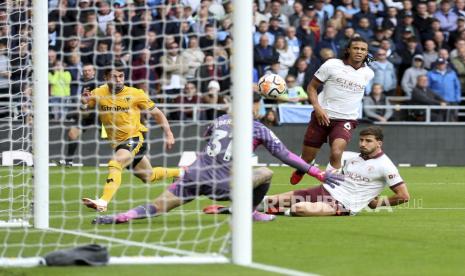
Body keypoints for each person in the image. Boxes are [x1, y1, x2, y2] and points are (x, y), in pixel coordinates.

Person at [92, 114, 344, 224]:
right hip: (224, 184)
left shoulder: (220, 119)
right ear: (254, 109)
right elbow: (285, 156)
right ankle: (249, 212)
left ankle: (120, 217)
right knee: (265, 173)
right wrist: (317, 173)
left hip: (193, 175)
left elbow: (207, 136)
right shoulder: (259, 129)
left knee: (156, 208)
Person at [80, 61, 182, 212]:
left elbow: (157, 113)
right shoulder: (98, 93)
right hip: (117, 143)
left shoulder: (135, 93)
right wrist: (83, 104)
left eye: (121, 76)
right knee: (148, 176)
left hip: (134, 138)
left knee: (116, 163)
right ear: (106, 78)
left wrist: (168, 133)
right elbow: (85, 113)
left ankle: (103, 201)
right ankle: (181, 173)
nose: (119, 79)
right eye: (114, 76)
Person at [260, 127, 410, 216]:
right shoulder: (351, 157)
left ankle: (280, 211)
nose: (363, 144)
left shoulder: (386, 165)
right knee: (266, 201)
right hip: (323, 191)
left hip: (343, 204)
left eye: (368, 141)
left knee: (298, 208)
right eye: (361, 140)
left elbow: (403, 196)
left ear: (379, 143)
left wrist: (376, 204)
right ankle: (253, 210)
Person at [289, 37, 374, 185]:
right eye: (356, 48)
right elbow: (311, 87)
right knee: (306, 159)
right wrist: (317, 108)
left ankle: (330, 189)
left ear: (366, 53)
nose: (359, 51)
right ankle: (302, 169)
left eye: (363, 49)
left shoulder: (368, 73)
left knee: (336, 153)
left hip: (346, 119)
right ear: (348, 50)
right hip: (322, 116)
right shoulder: (332, 64)